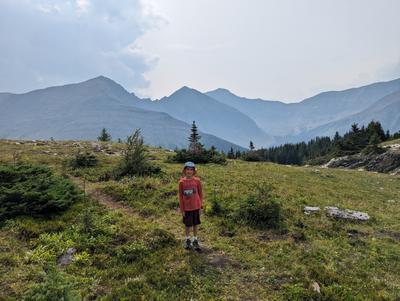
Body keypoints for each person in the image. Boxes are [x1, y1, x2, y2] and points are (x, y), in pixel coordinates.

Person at [178, 161, 203, 250]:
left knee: (195, 224)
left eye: (191, 170)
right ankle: (187, 239)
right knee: (187, 225)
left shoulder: (197, 181)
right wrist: (182, 209)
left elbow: (200, 194)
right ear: (184, 171)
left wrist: (201, 206)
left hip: (196, 207)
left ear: (194, 171)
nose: (189, 171)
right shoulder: (181, 182)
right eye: (187, 169)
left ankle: (195, 239)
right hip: (187, 208)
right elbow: (180, 197)